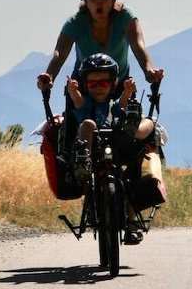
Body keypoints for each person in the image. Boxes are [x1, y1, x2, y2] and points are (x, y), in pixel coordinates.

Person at [65, 53, 163, 245]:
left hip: (119, 146)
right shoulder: (86, 105)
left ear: (113, 83)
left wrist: (127, 91)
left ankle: (133, 129)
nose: (99, 87)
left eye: (104, 83)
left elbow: (123, 103)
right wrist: (73, 91)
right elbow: (77, 101)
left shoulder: (114, 106)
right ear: (86, 86)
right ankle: (82, 159)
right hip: (94, 150)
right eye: (93, 84)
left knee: (148, 122)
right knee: (87, 124)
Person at [35, 0, 165, 92]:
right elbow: (60, 54)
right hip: (82, 87)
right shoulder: (75, 23)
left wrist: (149, 71)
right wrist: (49, 76)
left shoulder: (125, 18)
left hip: (119, 86)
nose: (98, 0)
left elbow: (138, 46)